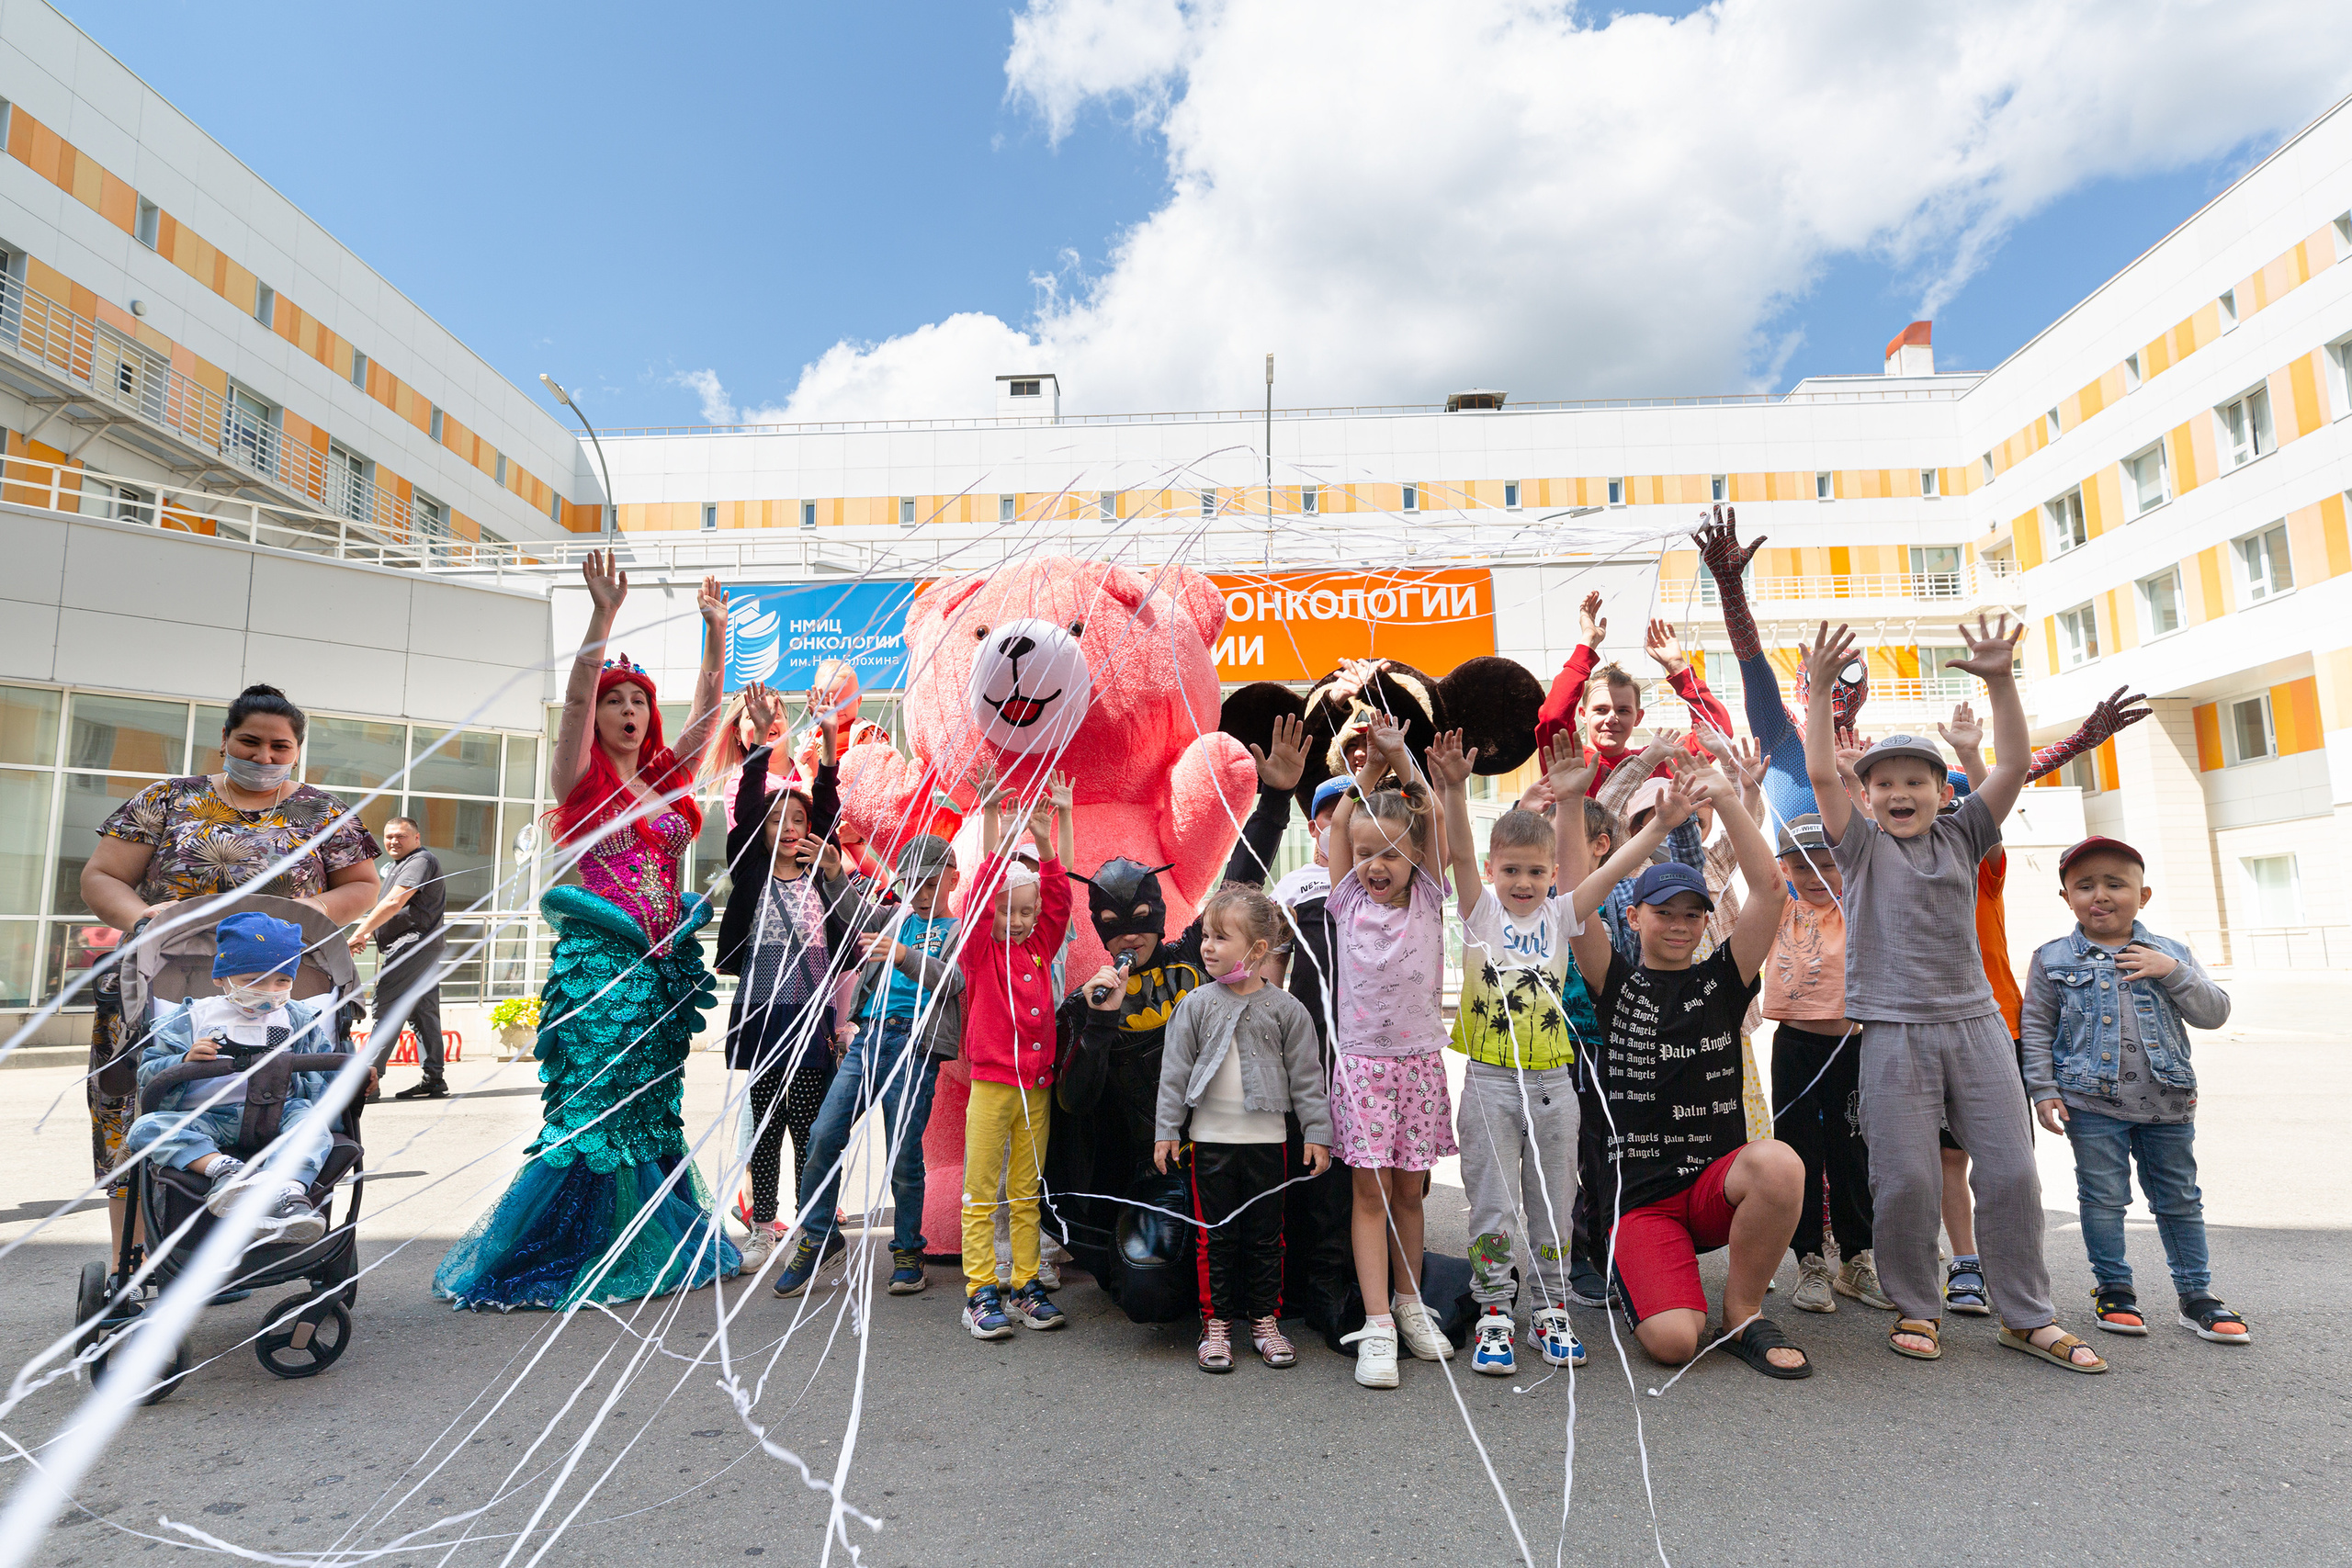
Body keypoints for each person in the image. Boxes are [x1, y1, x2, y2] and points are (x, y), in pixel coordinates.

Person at [434, 551, 741, 1310]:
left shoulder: (664, 782)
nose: (628, 710)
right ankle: (571, 1244)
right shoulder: (578, 785)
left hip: (665, 972)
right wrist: (601, 619)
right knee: (596, 1105)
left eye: (639, 699)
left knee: (649, 1102)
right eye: (616, 700)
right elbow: (572, 705)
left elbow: (707, 719)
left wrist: (716, 637)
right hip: (601, 967)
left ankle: (641, 1234)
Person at [1802, 616, 2105, 1373]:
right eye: (1885, 783)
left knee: (2009, 1170)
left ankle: (2026, 1313)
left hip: (1975, 1024)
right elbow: (1816, 774)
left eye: (1916, 781)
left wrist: (2001, 679)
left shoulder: (1966, 834)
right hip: (1895, 1030)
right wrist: (1815, 691)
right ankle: (1916, 1305)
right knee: (1903, 1175)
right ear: (1865, 796)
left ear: (1943, 792)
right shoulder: (1862, 846)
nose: (1900, 792)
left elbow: (2009, 765)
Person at [80, 683, 380, 1260]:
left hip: (276, 986)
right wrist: (147, 920)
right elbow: (101, 877)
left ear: (297, 749)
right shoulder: (167, 800)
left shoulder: (323, 812)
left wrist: (313, 913)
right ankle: (137, 1260)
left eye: (279, 746)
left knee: (293, 1100)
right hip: (162, 983)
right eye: (250, 742)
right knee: (132, 1119)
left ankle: (265, 1230)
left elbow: (363, 885)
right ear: (224, 740)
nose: (264, 758)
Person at [1566, 760, 1811, 1379]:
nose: (1678, 924)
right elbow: (1571, 908)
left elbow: (1771, 890)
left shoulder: (1723, 980)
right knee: (1675, 1341)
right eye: (1663, 912)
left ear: (1706, 921)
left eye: (1691, 914)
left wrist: (1728, 795)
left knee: (1779, 1162)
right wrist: (1573, 806)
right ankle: (1648, 1279)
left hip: (1713, 1191)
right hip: (1643, 1205)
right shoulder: (1615, 983)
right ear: (1634, 917)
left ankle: (1743, 1311)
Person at [2023, 837, 2247, 1345]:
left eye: (2115, 884)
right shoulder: (2052, 958)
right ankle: (2115, 1290)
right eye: (2084, 885)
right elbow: (2035, 1029)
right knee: (2102, 1198)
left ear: (2142, 896)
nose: (2099, 895)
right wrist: (2042, 1089)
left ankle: (2197, 1296)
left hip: (2168, 1103)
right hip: (2091, 1104)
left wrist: (2175, 974)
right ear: (2066, 897)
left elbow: (2214, 1013)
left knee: (2179, 1200)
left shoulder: (2171, 954)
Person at [1438, 731, 1593, 1376]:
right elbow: (1461, 854)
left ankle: (1551, 1310)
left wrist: (1581, 803)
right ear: (1495, 869)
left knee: (1554, 1197)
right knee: (1494, 1201)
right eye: (1511, 870)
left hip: (1554, 1079)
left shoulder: (1560, 917)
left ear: (1552, 873)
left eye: (1536, 870)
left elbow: (1600, 873)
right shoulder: (1477, 912)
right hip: (1489, 1080)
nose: (1523, 881)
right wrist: (1451, 789)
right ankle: (1495, 1310)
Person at [1324, 715, 1457, 1389]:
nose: (1376, 865)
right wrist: (1369, 766)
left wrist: (1403, 756)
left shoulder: (1430, 897)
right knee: (1370, 1192)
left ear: (1413, 858)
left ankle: (1411, 1303)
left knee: (1411, 1191)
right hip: (1366, 1066)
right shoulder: (1346, 900)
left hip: (1419, 1064)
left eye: (1390, 853)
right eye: (1365, 851)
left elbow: (1429, 811)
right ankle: (1377, 1322)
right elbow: (1343, 818)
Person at [1153, 888, 1332, 1371]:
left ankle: (1264, 1321)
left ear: (1256, 950)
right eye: (1206, 936)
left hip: (1267, 1143)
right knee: (1215, 1235)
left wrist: (1317, 1132)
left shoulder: (1287, 1010)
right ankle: (1217, 1324)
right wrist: (1167, 1130)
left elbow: (1308, 1077)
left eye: (1220, 937)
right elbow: (1173, 1073)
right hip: (1209, 1141)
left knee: (1265, 1236)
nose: (1207, 946)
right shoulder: (1194, 1005)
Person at [780, 833, 965, 1299]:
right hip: (869, 1039)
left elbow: (955, 981)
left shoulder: (957, 928)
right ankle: (820, 1237)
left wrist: (903, 956)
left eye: (931, 884)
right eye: (911, 884)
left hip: (916, 1045)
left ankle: (907, 1250)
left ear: (952, 880)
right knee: (824, 1133)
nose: (920, 894)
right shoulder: (895, 916)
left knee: (903, 1154)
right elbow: (851, 911)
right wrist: (833, 870)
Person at [709, 683, 852, 1282]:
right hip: (765, 1016)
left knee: (810, 1127)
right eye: (779, 820)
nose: (791, 827)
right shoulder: (752, 874)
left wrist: (827, 738)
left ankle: (813, 1225)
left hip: (810, 1020)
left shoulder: (823, 871)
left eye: (799, 820)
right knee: (765, 1124)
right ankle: (763, 1224)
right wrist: (758, 741)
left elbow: (826, 800)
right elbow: (743, 809)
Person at [120, 911, 336, 1246]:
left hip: (279, 1112)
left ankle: (288, 1193)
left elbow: (324, 1067)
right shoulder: (192, 1017)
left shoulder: (299, 1018)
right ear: (222, 978)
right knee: (145, 1128)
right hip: (205, 1116)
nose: (269, 992)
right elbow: (148, 1072)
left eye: (282, 981)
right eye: (255, 980)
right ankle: (227, 1172)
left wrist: (355, 1075)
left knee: (312, 1124)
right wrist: (184, 1059)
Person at [956, 771, 1075, 1340]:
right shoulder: (980, 948)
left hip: (1038, 1086)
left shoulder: (1038, 944)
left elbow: (1058, 902)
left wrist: (1047, 846)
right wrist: (992, 824)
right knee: (983, 1190)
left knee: (1028, 1190)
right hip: (993, 1084)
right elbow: (981, 898)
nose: (1020, 920)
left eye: (1025, 912)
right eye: (1009, 911)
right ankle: (980, 1289)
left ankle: (1026, 1281)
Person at [1759, 814, 1879, 1314]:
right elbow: (1752, 864)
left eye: (1827, 863)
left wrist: (1850, 782)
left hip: (1852, 1046)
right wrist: (1744, 796)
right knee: (1798, 1155)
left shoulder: (1861, 904)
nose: (1814, 875)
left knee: (1853, 1154)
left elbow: (1872, 847)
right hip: (1795, 1045)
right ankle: (1809, 1259)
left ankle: (1856, 1259)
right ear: (1784, 866)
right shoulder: (1779, 907)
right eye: (1800, 864)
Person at [1531, 592, 1734, 793]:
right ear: (1583, 714)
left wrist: (1677, 667)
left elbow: (1717, 735)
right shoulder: (1568, 759)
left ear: (1638, 717)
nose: (1612, 718)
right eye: (1601, 709)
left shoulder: (1657, 762)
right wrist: (1587, 643)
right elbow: (1552, 718)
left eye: (1623, 711)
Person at [348, 815, 447, 1100]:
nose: (393, 841)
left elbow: (394, 902)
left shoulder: (420, 860)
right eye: (389, 836)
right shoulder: (396, 866)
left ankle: (368, 1080)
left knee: (388, 1010)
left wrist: (362, 932)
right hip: (421, 948)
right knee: (423, 1013)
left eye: (401, 836)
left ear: (416, 838)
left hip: (412, 947)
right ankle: (434, 1079)